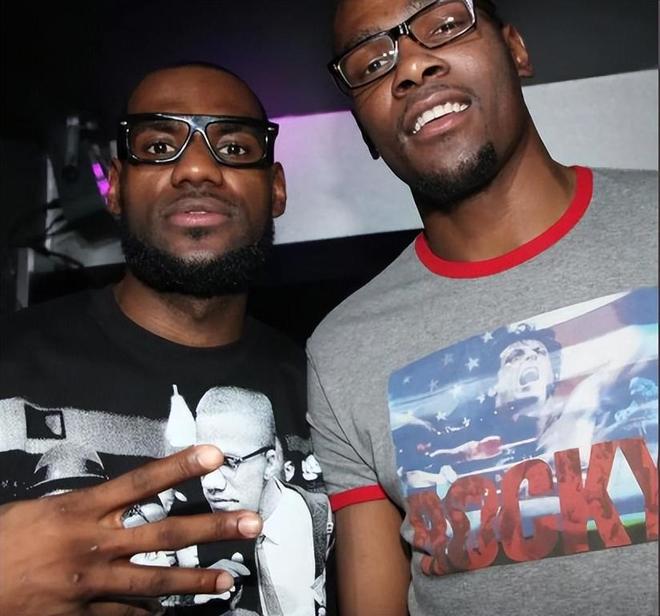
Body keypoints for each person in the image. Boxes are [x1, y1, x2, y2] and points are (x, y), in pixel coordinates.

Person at [307, 1, 658, 615]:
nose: (410, 66)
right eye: (372, 61)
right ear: (363, 129)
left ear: (516, 50)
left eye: (445, 24)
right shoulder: (340, 350)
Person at [0, 62, 330, 616]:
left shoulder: (326, 393)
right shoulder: (8, 358)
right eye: (158, 148)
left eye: (233, 147)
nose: (196, 169)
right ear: (114, 187)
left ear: (276, 189)